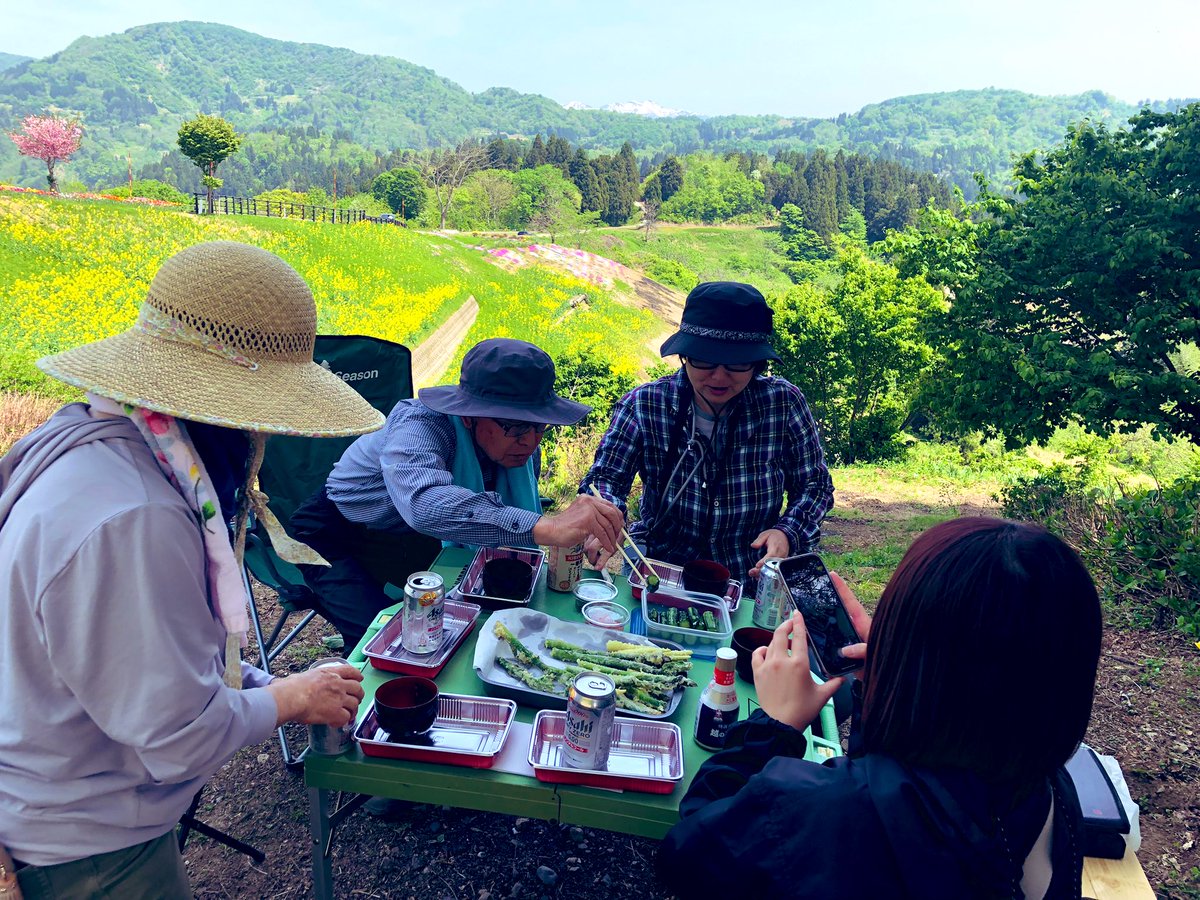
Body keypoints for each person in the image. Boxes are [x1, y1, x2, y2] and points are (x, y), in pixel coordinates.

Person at [0, 241, 371, 899]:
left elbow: (162, 659)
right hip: (90, 843)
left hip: (65, 793)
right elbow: (179, 737)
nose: (267, 436)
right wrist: (292, 697)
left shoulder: (92, 442)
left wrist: (273, 680)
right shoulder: (134, 516)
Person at [657, 517, 1103, 900]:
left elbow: (690, 851)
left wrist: (774, 727)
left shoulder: (821, 808)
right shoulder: (1052, 794)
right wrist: (886, 686)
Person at [291, 337, 625, 650]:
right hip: (334, 535)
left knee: (469, 618)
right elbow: (424, 503)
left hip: (414, 539)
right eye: (516, 427)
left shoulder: (520, 449)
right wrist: (548, 527)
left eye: (540, 426)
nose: (531, 441)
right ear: (469, 415)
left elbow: (493, 517)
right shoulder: (419, 423)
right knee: (388, 637)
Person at [580, 281, 834, 586]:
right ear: (684, 355)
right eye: (704, 360)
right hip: (659, 572)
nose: (718, 376)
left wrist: (787, 533)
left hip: (750, 576)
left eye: (737, 364)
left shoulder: (783, 404)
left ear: (757, 363)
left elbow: (815, 485)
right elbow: (605, 479)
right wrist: (606, 515)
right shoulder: (644, 404)